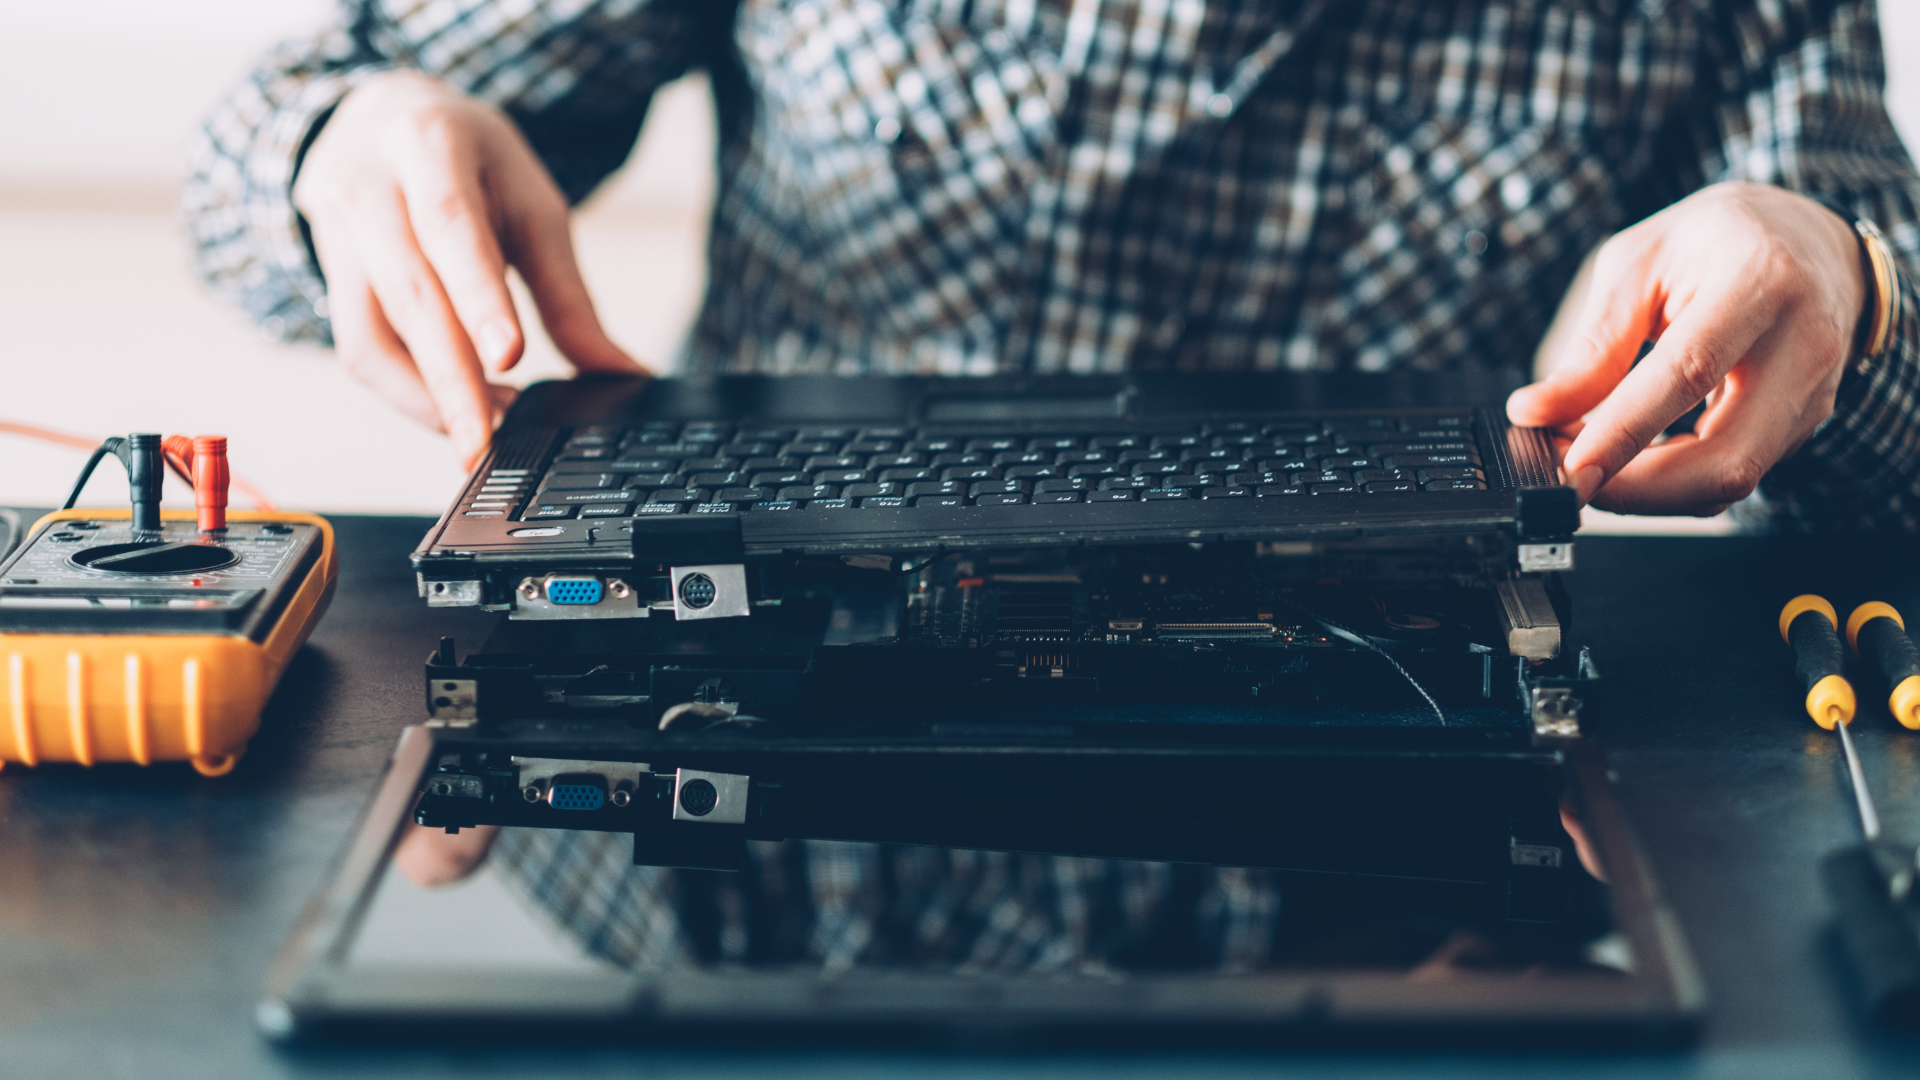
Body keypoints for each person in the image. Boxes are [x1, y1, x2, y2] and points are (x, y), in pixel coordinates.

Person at [185, 0, 1918, 527]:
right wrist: (344, 152)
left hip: (1429, 805)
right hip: (778, 751)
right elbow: (269, 161)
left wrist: (1849, 278)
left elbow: (1887, 384)